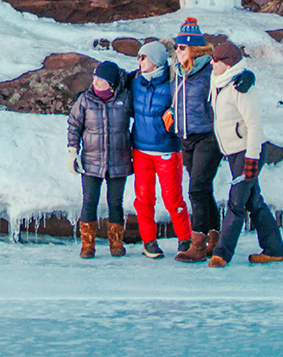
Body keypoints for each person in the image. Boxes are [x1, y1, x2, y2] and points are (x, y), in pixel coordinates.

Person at [206, 41, 283, 267]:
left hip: (248, 151)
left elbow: (254, 124)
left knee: (236, 203)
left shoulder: (241, 87)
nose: (212, 63)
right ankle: (274, 249)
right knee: (254, 202)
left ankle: (222, 254)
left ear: (228, 64)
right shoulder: (219, 81)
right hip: (233, 153)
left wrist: (252, 158)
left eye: (217, 60)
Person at [130, 41, 192, 259]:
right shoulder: (135, 81)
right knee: (144, 198)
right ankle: (149, 241)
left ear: (156, 60)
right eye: (139, 57)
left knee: (172, 198)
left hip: (167, 149)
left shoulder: (174, 82)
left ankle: (185, 239)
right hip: (141, 150)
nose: (139, 61)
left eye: (143, 57)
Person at [67, 60, 133, 259]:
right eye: (94, 78)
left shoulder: (125, 99)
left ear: (111, 83)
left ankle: (116, 243)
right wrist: (72, 150)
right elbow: (74, 125)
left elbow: (142, 118)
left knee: (115, 203)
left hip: (118, 161)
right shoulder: (85, 100)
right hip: (91, 161)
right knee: (89, 202)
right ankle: (87, 244)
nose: (95, 82)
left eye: (100, 79)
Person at [171, 17, 223, 263]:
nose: (177, 51)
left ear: (193, 48)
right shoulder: (179, 73)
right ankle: (215, 236)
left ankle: (198, 245)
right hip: (186, 138)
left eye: (181, 47)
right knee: (203, 189)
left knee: (197, 190)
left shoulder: (208, 72)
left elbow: (230, 80)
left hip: (208, 137)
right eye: (176, 47)